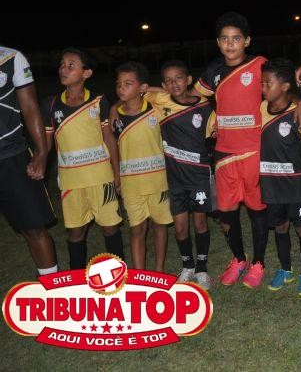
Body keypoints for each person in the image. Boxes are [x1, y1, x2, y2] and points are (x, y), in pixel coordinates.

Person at [192, 12, 301, 286]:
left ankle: (258, 262)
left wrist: (299, 101)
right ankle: (238, 259)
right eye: (224, 39)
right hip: (224, 154)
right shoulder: (213, 71)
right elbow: (191, 97)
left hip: (255, 152)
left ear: (247, 41)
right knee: (227, 213)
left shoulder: (259, 65)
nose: (230, 44)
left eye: (236, 39)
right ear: (218, 43)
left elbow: (280, 87)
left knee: (257, 210)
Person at [43, 48, 124, 269]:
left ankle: (119, 275)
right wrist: (37, 163)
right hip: (71, 182)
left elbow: (109, 138)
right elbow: (47, 144)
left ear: (86, 73)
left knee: (110, 227)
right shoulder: (50, 104)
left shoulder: (98, 101)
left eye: (71, 65)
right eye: (62, 64)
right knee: (76, 232)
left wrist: (116, 173)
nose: (63, 69)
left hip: (101, 178)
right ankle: (77, 278)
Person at [146, 59, 215, 289]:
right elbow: (138, 89)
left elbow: (214, 135)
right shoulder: (160, 100)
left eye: (178, 78)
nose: (173, 83)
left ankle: (202, 268)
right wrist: (115, 110)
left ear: (188, 80)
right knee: (180, 227)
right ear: (163, 85)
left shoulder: (204, 106)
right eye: (167, 80)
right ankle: (188, 266)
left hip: (198, 176)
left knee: (200, 223)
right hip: (174, 179)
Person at [258, 59, 301, 295]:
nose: (263, 87)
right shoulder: (261, 108)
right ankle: (285, 269)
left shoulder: (299, 113)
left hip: (296, 184)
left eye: (268, 83)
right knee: (280, 228)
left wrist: (300, 102)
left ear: (284, 86)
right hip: (270, 184)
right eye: (262, 83)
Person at [0, 45, 58, 276]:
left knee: (33, 229)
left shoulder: (11, 58)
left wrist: (42, 153)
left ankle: (52, 291)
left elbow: (30, 106)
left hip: (11, 157)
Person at [111, 62, 172, 271]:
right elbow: (113, 149)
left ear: (142, 87)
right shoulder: (115, 116)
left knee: (159, 225)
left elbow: (171, 92)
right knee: (137, 229)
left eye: (128, 84)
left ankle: (159, 270)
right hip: (131, 184)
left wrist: (148, 89)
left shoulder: (156, 110)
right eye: (119, 84)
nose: (121, 88)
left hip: (157, 181)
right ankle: (138, 273)